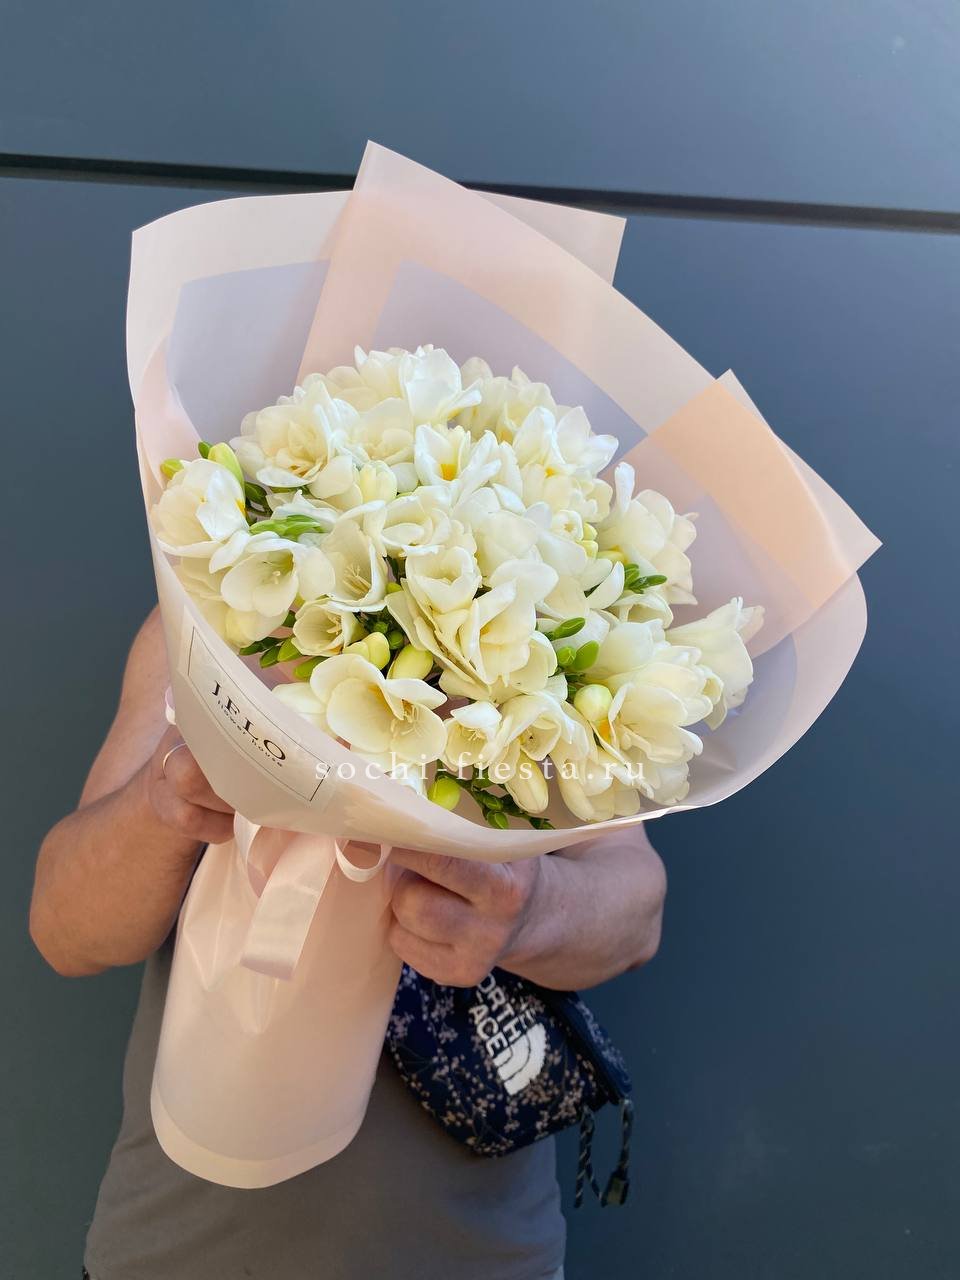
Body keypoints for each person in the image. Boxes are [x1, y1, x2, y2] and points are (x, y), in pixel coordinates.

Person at [30, 608, 667, 1280]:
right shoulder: (209, 613)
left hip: (480, 1257)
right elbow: (64, 931)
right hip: (183, 1251)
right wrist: (167, 800)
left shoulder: (547, 635)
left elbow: (636, 916)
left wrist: (528, 912)